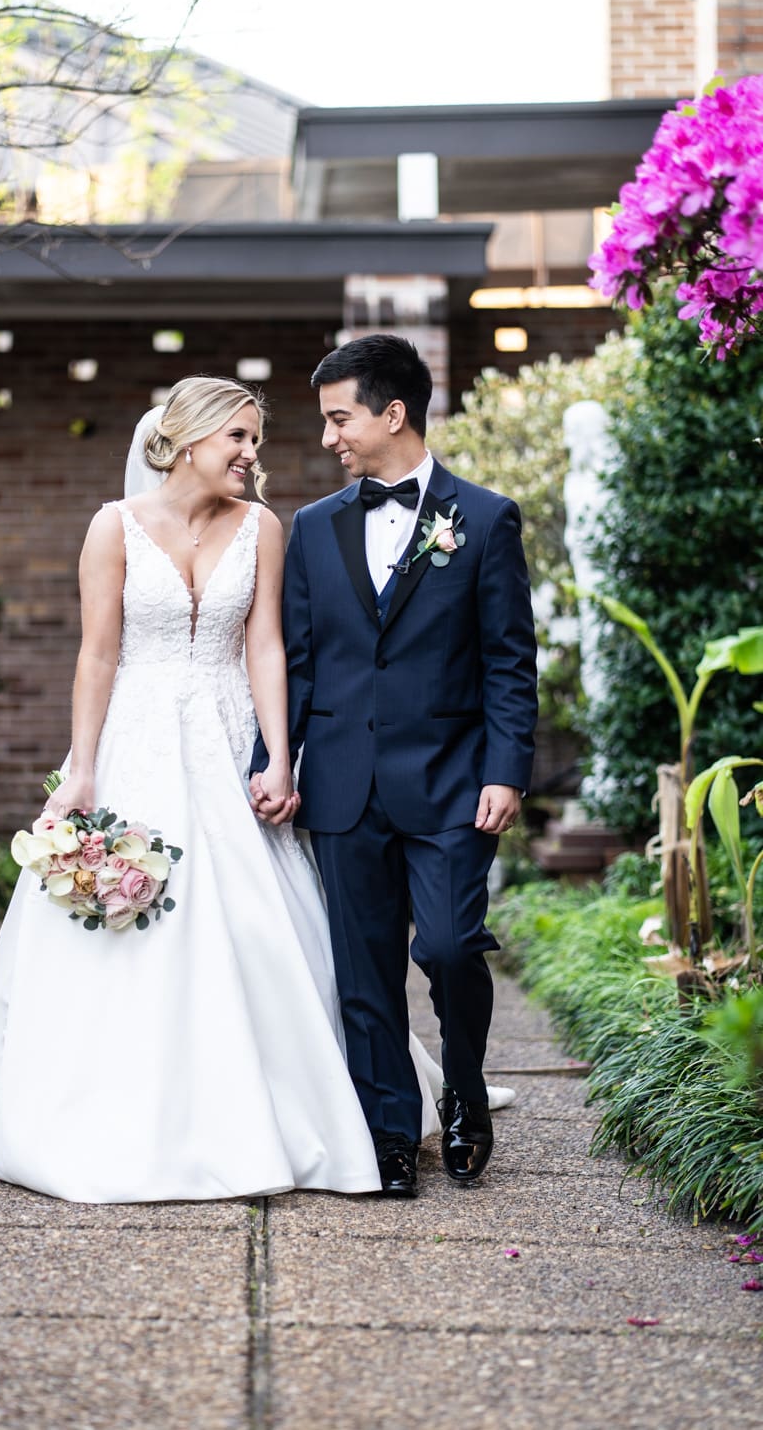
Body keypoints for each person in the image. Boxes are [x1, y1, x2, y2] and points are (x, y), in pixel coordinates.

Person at [0, 374, 512, 1204]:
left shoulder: (265, 528)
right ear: (188, 439)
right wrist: (81, 768)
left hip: (230, 739)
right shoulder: (112, 527)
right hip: (140, 739)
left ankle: (332, 1100)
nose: (251, 455)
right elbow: (98, 654)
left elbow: (269, 648)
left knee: (263, 920)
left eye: (254, 440)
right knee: (130, 921)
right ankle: (122, 1102)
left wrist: (276, 757)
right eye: (238, 438)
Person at [251, 335, 537, 1198]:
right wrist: (277, 763)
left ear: (392, 413)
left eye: (341, 417)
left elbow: (508, 661)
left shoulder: (485, 520)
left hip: (453, 781)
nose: (332, 435)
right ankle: (384, 1129)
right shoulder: (312, 529)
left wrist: (507, 769)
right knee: (363, 971)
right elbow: (296, 662)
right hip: (340, 784)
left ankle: (466, 1094)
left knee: (450, 948)